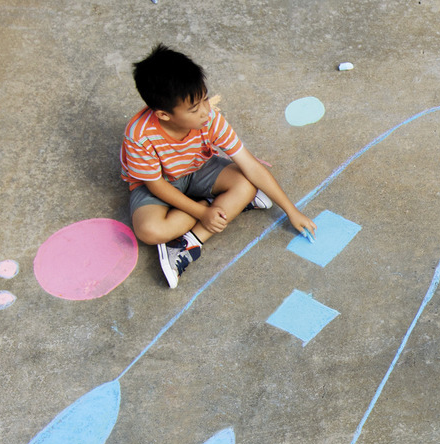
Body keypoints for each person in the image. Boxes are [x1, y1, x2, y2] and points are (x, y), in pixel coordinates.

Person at [121, 44, 316, 288]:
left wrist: (291, 210)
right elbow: (156, 185)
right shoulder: (139, 135)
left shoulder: (210, 119)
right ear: (163, 115)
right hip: (158, 184)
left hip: (199, 168)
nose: (205, 111)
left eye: (204, 99)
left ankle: (188, 242)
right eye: (194, 109)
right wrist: (202, 212)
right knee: (150, 231)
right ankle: (214, 205)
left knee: (246, 184)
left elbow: (250, 164)